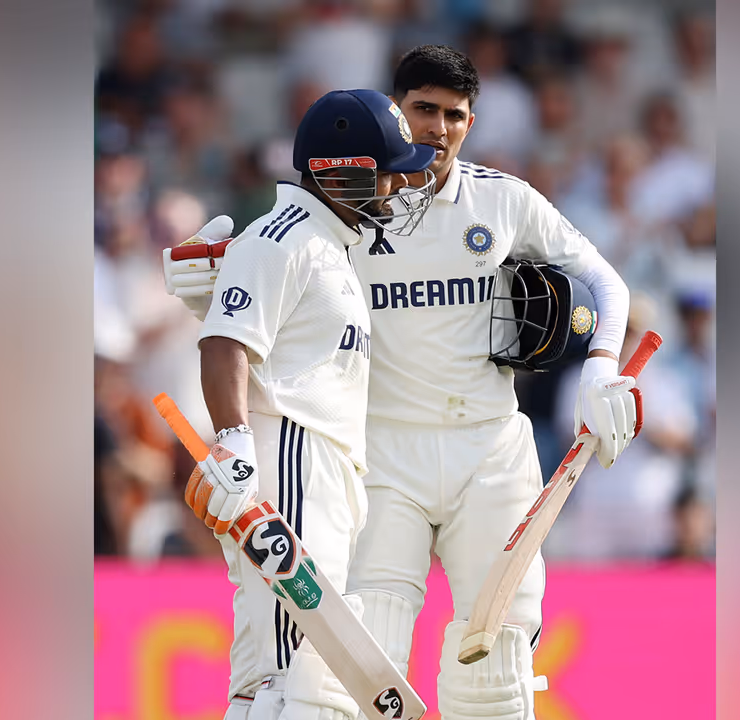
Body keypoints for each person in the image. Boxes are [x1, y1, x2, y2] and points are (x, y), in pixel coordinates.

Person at [167, 46, 640, 719]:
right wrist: (203, 283)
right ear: (397, 110)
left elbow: (605, 282)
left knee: (496, 669)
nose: (439, 128)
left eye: (456, 115)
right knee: (362, 667)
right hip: (381, 456)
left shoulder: (500, 200)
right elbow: (257, 280)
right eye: (425, 110)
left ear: (472, 122)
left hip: (489, 449)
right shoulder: (350, 203)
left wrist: (600, 366)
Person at [183, 88, 436, 720]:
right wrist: (234, 440)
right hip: (291, 460)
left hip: (322, 469)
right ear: (340, 170)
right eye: (384, 172)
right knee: (298, 678)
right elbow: (225, 341)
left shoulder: (332, 244)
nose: (396, 187)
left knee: (267, 679)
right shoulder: (283, 237)